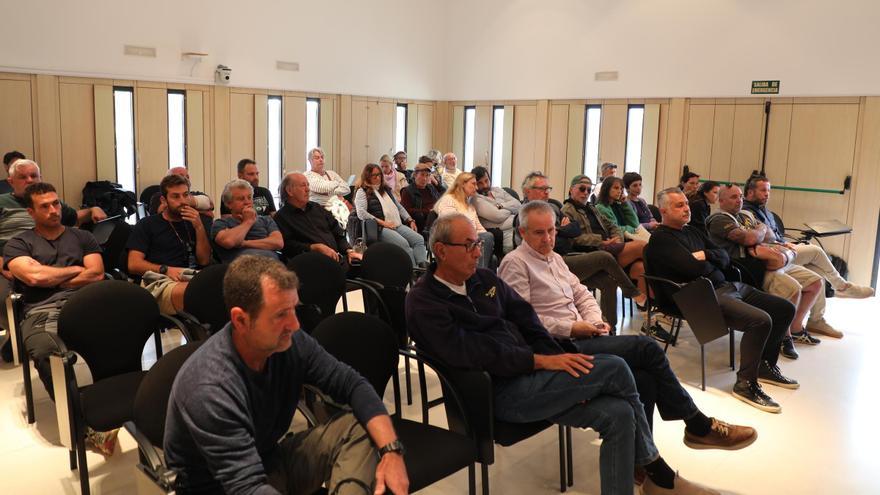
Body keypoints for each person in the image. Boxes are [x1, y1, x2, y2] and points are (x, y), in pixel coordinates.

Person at [406, 213, 719, 495]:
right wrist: (542, 360)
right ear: (441, 251)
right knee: (615, 368)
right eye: (469, 245)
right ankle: (659, 472)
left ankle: (645, 482)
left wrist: (556, 358)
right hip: (495, 393)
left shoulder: (483, 279)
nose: (479, 252)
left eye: (478, 244)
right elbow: (472, 353)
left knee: (620, 414)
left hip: (533, 375)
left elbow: (527, 318)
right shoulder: (425, 303)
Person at [498, 200, 756, 449]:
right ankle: (698, 425)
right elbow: (523, 321)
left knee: (645, 380)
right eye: (539, 233)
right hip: (558, 346)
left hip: (583, 335)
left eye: (552, 231)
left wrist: (594, 320)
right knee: (646, 347)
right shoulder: (515, 263)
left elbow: (582, 294)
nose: (548, 238)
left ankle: (642, 457)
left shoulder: (554, 258)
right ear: (522, 232)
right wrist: (573, 328)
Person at [164, 255, 409, 495]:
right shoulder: (210, 387)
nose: (295, 325)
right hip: (218, 487)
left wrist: (391, 451)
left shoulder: (291, 342)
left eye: (294, 309)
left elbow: (352, 385)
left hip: (270, 461)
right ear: (241, 320)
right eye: (281, 314)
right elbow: (245, 486)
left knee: (361, 423)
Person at [647, 188, 797, 413]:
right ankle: (746, 383)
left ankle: (765, 365)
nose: (686, 208)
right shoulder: (661, 239)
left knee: (784, 309)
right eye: (679, 205)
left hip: (727, 286)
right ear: (663, 211)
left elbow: (724, 257)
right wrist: (711, 261)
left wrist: (708, 255)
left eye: (686, 203)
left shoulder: (694, 231)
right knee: (761, 320)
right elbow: (690, 268)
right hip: (699, 296)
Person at [742, 174, 873, 338]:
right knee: (815, 251)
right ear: (750, 192)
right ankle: (841, 286)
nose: (767, 194)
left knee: (817, 273)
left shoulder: (765, 211)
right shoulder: (746, 211)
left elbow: (772, 234)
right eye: (763, 190)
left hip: (783, 249)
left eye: (769, 190)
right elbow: (761, 239)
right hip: (773, 256)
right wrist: (781, 244)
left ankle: (816, 320)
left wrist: (782, 243)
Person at [707, 184, 824, 360]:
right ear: (721, 200)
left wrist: (758, 232)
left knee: (816, 282)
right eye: (733, 197)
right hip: (747, 270)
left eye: (740, 196)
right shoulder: (718, 219)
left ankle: (796, 328)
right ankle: (785, 338)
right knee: (793, 289)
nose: (739, 200)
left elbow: (769, 234)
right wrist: (757, 232)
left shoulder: (745, 214)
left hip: (769, 260)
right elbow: (748, 238)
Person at [561, 175, 650, 316]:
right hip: (592, 251)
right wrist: (601, 241)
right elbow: (574, 239)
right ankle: (636, 291)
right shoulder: (567, 211)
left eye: (589, 190)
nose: (585, 192)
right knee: (642, 247)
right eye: (582, 189)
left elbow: (612, 225)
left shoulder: (591, 208)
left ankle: (648, 314)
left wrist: (617, 239)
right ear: (571, 190)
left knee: (640, 267)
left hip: (610, 246)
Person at [127, 174, 212, 314]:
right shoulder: (147, 224)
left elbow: (204, 260)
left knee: (226, 285)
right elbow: (133, 264)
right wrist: (166, 269)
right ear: (164, 200)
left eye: (186, 195)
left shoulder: (194, 222)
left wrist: (199, 227)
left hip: (191, 276)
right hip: (160, 281)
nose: (183, 201)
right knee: (199, 291)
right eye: (176, 197)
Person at [274, 172, 362, 271]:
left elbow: (338, 233)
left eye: (308, 185)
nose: (308, 189)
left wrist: (349, 250)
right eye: (303, 186)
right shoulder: (282, 217)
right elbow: (288, 246)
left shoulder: (317, 208)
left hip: (339, 259)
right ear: (289, 191)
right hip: (313, 266)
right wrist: (313, 247)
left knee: (371, 261)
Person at [354, 163, 427, 267]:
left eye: (379, 174)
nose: (378, 177)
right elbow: (361, 213)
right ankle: (413, 272)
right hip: (380, 228)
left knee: (419, 239)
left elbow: (398, 206)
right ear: (367, 176)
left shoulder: (385, 189)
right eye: (374, 175)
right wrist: (383, 223)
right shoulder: (362, 191)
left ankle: (422, 270)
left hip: (396, 224)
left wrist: (410, 220)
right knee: (404, 244)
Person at [212, 179, 283, 263]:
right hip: (241, 270)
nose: (247, 202)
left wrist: (244, 243)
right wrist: (248, 222)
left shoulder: (266, 220)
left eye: (249, 197)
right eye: (241, 199)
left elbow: (278, 243)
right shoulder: (221, 223)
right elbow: (229, 242)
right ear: (229, 204)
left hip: (273, 267)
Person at [433, 173, 494, 268]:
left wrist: (481, 241)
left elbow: (480, 228)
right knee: (487, 238)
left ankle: (484, 279)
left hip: (470, 241)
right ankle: (478, 277)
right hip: (455, 240)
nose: (477, 188)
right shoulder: (449, 200)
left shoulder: (470, 207)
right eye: (473, 184)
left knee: (489, 245)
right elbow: (450, 226)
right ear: (462, 184)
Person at [471, 166, 520, 254]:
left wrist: (500, 206)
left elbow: (518, 204)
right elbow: (498, 216)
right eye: (480, 183)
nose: (485, 185)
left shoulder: (498, 190)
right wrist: (510, 209)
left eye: (486, 180)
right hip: (506, 236)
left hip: (518, 228)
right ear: (475, 184)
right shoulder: (476, 199)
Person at [304, 147, 351, 228]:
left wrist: (330, 190)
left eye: (322, 157)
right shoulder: (307, 175)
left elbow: (347, 189)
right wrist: (336, 183)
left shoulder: (331, 173)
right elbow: (322, 188)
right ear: (310, 161)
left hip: (337, 213)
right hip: (319, 213)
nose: (321, 160)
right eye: (317, 158)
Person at [399, 159, 445, 232]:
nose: (425, 178)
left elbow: (440, 197)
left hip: (437, 215)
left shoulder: (430, 187)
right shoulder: (407, 191)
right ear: (415, 175)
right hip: (422, 219)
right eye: (422, 175)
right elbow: (406, 210)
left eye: (427, 175)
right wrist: (426, 211)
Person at [150, 167, 215, 217]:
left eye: (187, 176)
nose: (185, 179)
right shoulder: (158, 196)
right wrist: (203, 211)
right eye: (180, 176)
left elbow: (211, 205)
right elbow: (162, 211)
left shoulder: (197, 193)